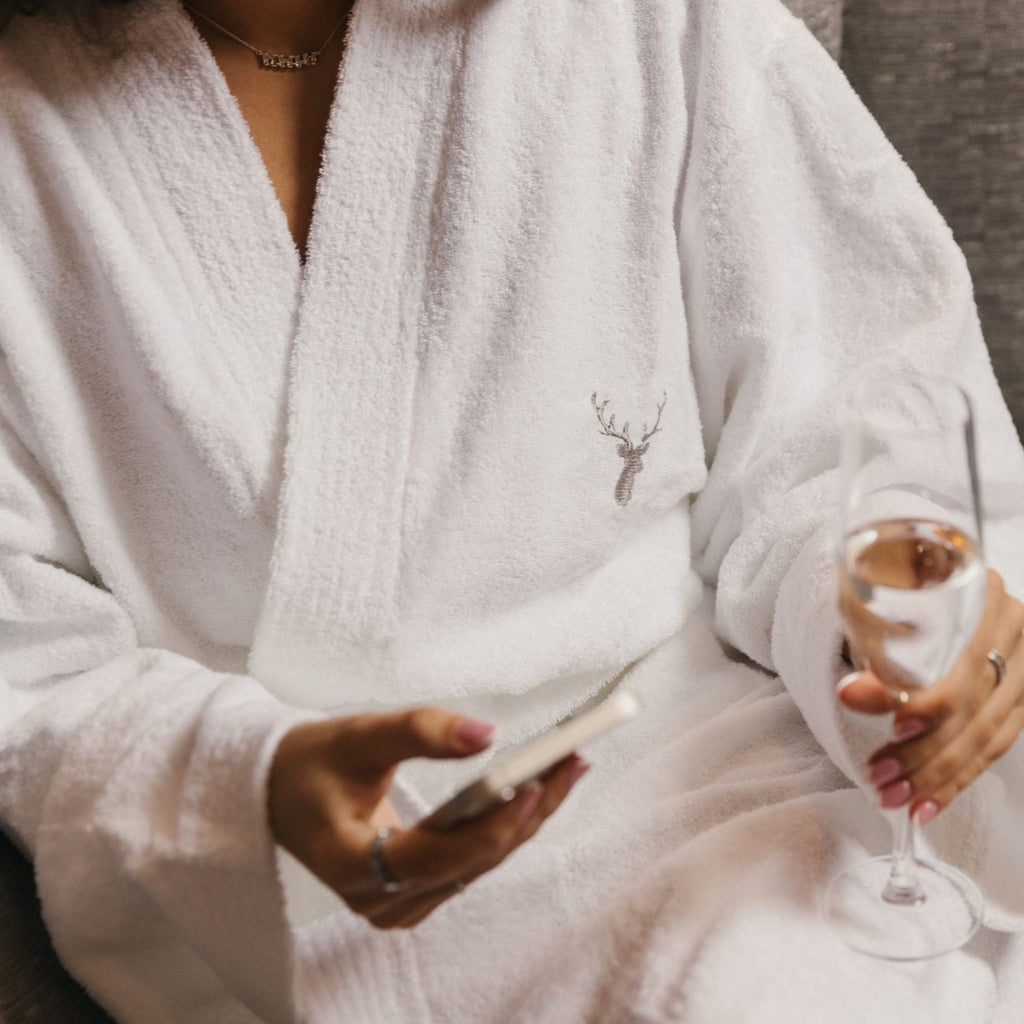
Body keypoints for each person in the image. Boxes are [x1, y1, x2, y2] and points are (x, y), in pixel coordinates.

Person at [0, 0, 1022, 1021]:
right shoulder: (23, 135)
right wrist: (246, 781)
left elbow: (850, 429)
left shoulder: (658, 24)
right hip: (308, 899)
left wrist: (888, 613)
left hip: (694, 785)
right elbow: (26, 664)